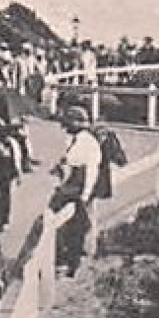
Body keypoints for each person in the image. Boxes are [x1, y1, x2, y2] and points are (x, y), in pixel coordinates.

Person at [52, 108, 104, 276]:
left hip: (78, 189)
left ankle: (70, 262)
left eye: (67, 123)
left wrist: (85, 194)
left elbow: (91, 171)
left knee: (75, 227)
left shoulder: (88, 143)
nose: (64, 127)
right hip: (69, 186)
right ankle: (60, 257)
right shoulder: (72, 140)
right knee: (56, 221)